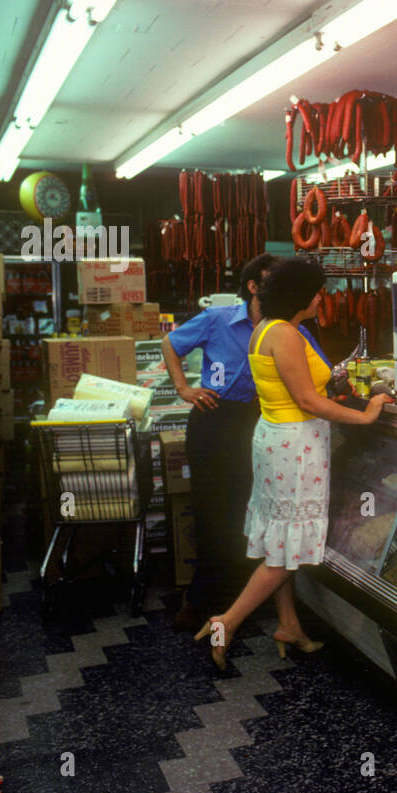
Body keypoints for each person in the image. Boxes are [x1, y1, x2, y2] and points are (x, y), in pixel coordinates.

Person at [196, 256, 390, 668]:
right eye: (318, 292)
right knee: (286, 552)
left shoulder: (268, 328)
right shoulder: (284, 334)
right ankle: (226, 622)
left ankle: (289, 623)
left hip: (275, 439)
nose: (323, 299)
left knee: (279, 536)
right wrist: (366, 414)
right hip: (295, 446)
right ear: (301, 295)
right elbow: (306, 399)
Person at [162, 254, 274, 631]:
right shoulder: (218, 318)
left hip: (256, 421)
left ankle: (238, 598)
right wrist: (184, 389)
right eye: (270, 280)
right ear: (253, 286)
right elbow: (170, 343)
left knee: (247, 507)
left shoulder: (280, 328)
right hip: (213, 418)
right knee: (211, 508)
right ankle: (199, 599)